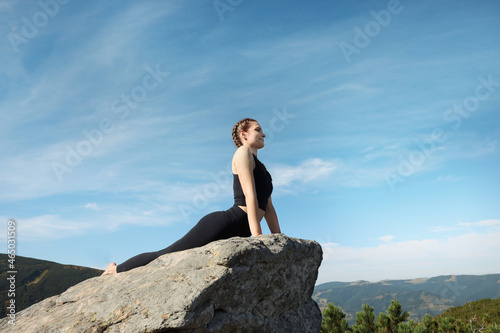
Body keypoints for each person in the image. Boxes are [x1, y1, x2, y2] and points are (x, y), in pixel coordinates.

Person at [102, 118, 281, 275]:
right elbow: (249, 194)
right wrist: (257, 235)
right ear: (244, 135)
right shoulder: (243, 153)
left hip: (242, 230)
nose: (263, 134)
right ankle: (115, 269)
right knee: (166, 255)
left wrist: (279, 239)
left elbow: (268, 208)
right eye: (258, 130)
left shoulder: (264, 171)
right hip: (226, 224)